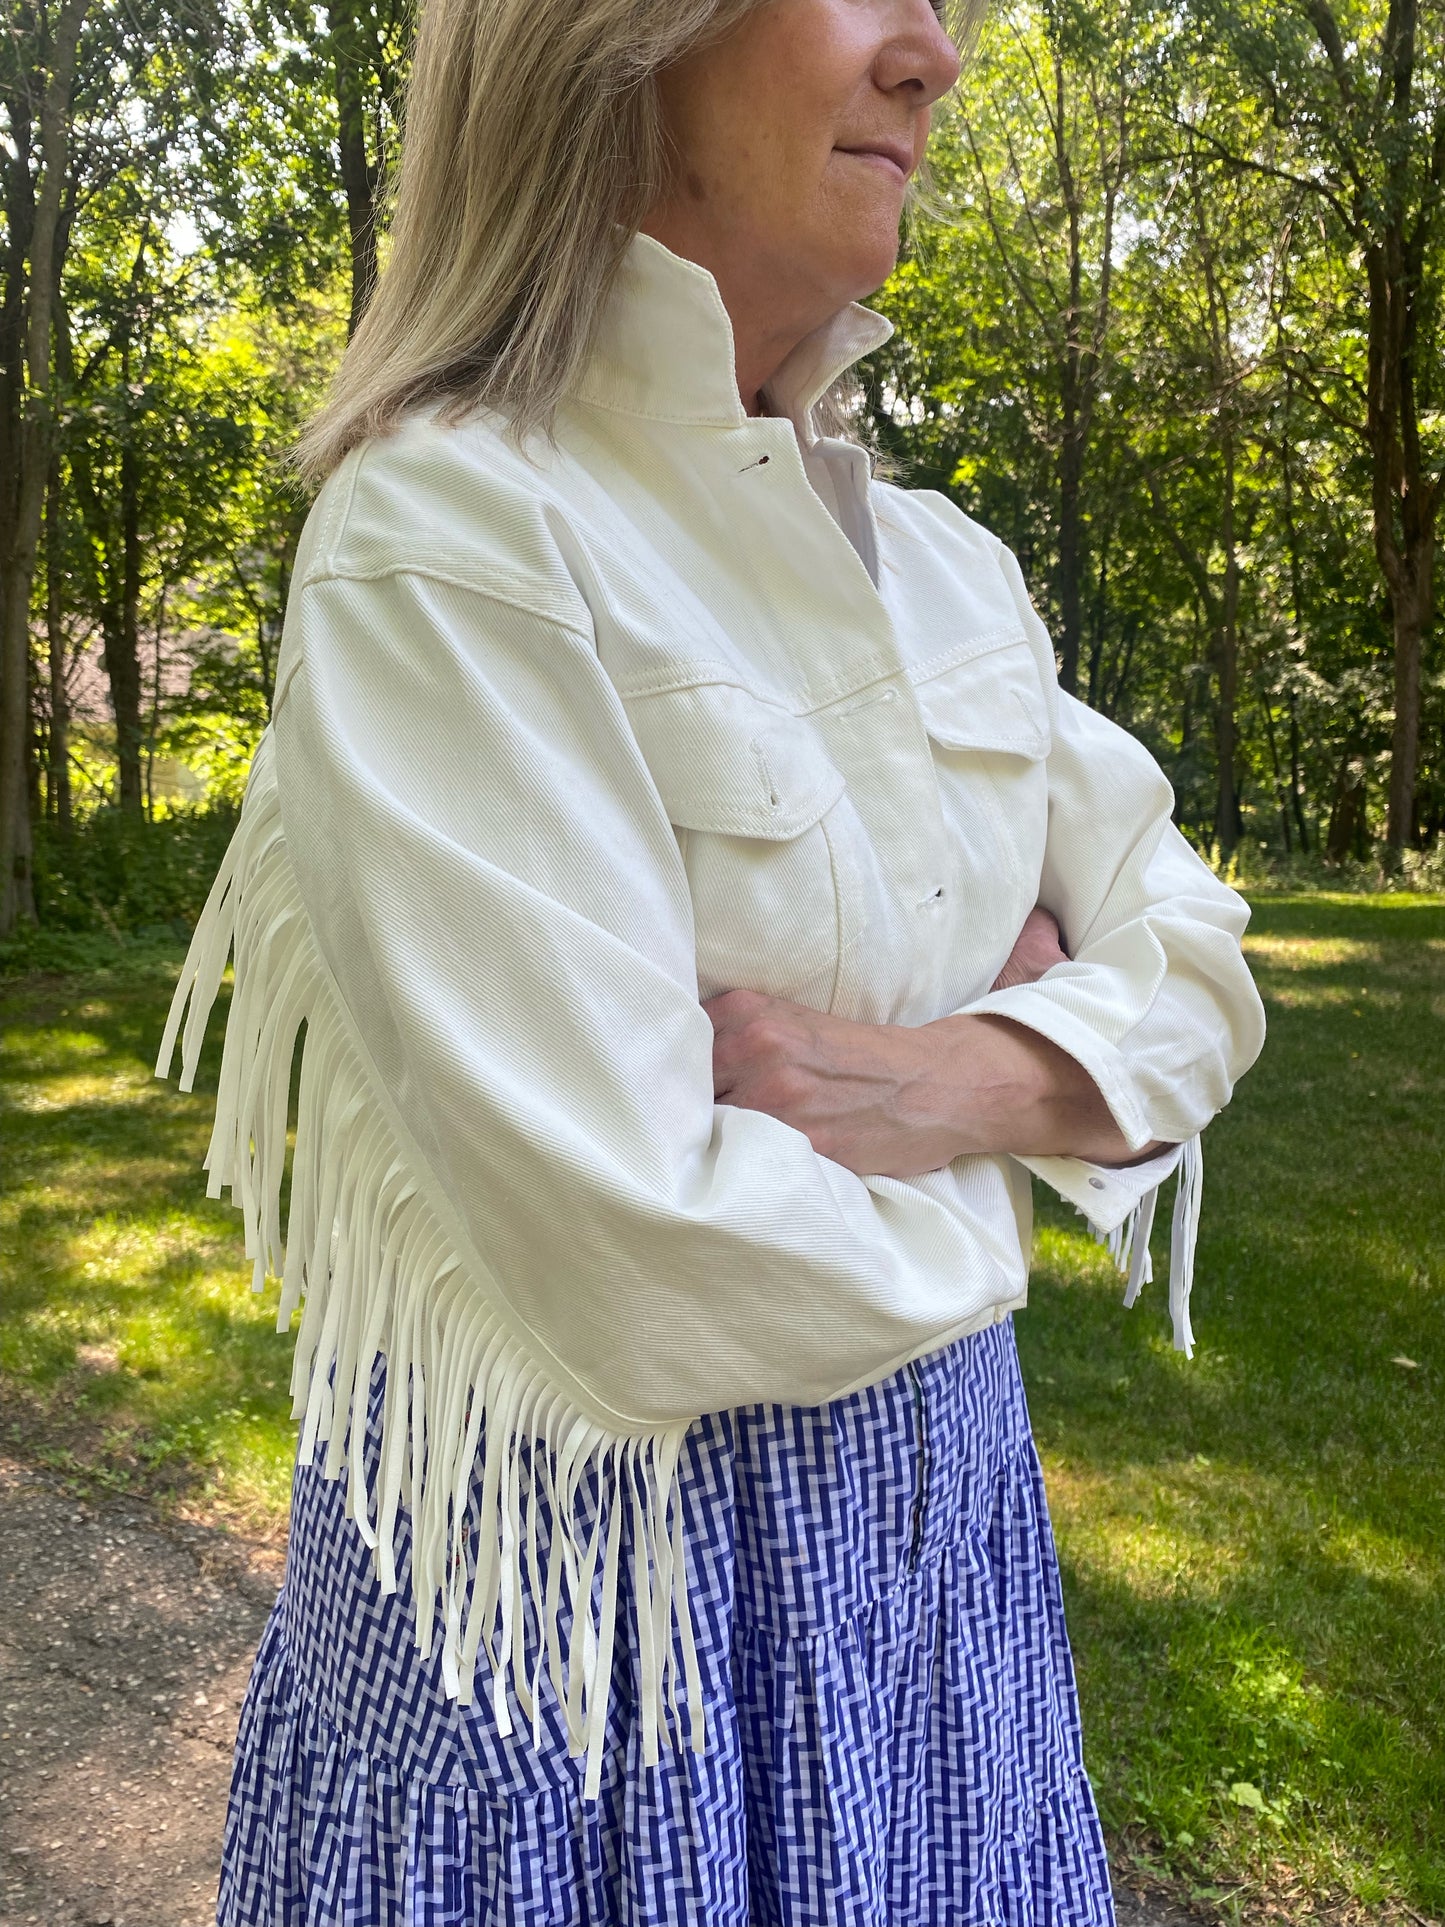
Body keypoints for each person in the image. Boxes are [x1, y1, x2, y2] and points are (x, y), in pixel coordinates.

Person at [158, 0, 1267, 1918]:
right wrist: (1050, 1115)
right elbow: (633, 1250)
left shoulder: (947, 573)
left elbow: (1198, 959)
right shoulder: (448, 537)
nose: (934, 56)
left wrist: (938, 1086)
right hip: (584, 1631)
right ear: (614, 38)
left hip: (933, 1559)